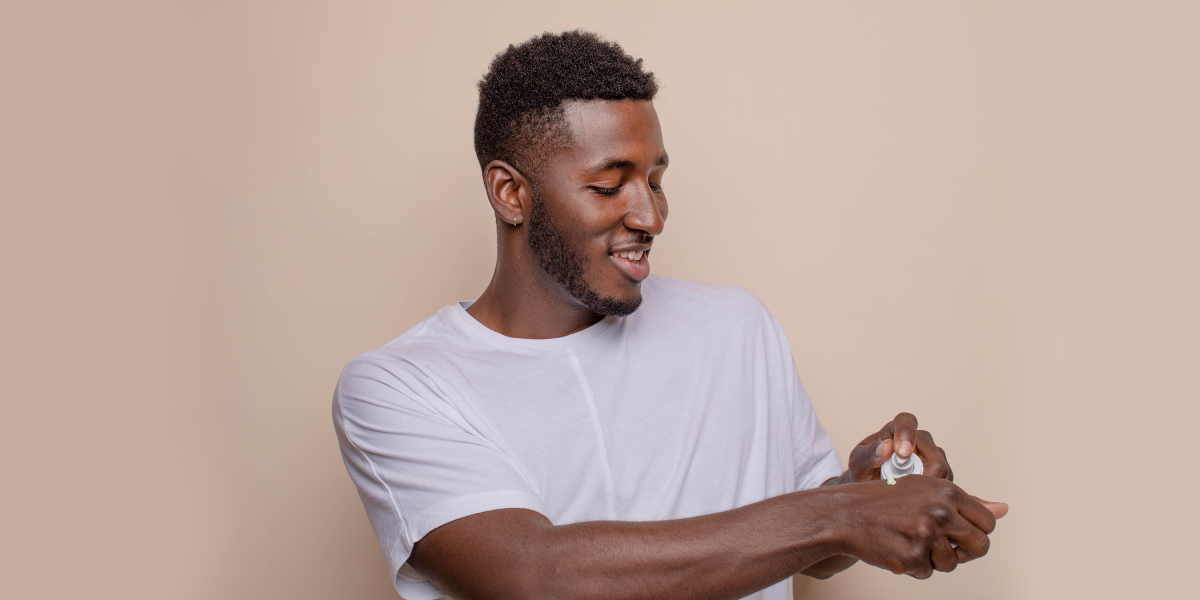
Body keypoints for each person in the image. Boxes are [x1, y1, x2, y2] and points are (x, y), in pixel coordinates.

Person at [333, 30, 1008, 600]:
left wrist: (865, 492)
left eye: (655, 179)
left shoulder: (735, 326)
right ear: (511, 192)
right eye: (609, 185)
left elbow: (811, 550)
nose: (650, 216)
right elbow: (535, 574)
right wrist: (837, 514)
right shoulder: (400, 387)